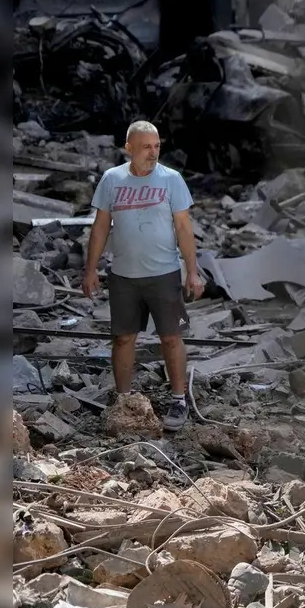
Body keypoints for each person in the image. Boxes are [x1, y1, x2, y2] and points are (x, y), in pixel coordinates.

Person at [82, 120, 205, 429]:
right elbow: (100, 228)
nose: (153, 153)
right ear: (129, 148)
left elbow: (184, 228)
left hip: (164, 274)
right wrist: (90, 269)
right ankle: (124, 400)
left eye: (157, 146)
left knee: (171, 337)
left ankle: (178, 401)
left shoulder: (172, 180)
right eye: (146, 147)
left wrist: (192, 272)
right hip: (123, 276)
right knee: (123, 339)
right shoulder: (111, 180)